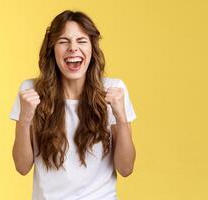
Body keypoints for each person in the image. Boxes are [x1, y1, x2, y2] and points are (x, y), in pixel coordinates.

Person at [9, 10, 137, 200]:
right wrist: (24, 119)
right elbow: (22, 167)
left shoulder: (114, 90)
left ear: (92, 49)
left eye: (81, 41)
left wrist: (121, 117)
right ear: (52, 49)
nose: (73, 48)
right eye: (63, 41)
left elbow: (126, 168)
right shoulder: (31, 92)